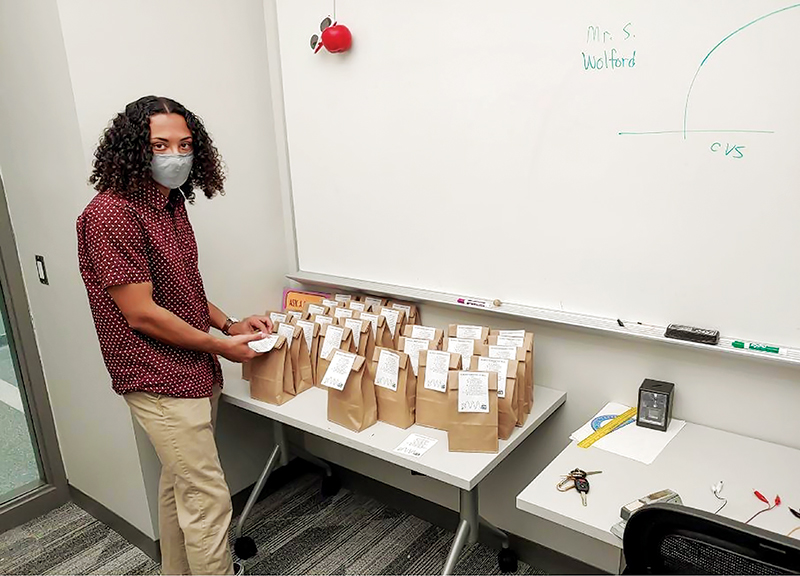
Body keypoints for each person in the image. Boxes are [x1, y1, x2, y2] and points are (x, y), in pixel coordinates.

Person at [77, 95, 270, 575]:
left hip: (193, 368)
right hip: (156, 376)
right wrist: (221, 346)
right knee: (208, 500)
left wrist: (228, 324)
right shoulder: (109, 215)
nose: (175, 156)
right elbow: (142, 313)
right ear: (133, 149)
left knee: (179, 486)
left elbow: (180, 290)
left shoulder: (172, 204)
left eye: (184, 145)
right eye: (160, 145)